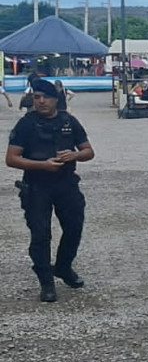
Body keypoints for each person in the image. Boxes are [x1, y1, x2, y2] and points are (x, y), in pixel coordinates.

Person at [6, 80, 95, 303]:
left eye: (45, 97)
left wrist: (75, 155)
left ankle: (64, 267)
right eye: (36, 97)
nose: (41, 101)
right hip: (37, 186)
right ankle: (46, 282)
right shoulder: (26, 124)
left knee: (74, 228)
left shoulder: (69, 121)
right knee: (40, 234)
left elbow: (88, 151)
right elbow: (11, 159)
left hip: (66, 184)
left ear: (56, 99)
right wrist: (42, 165)